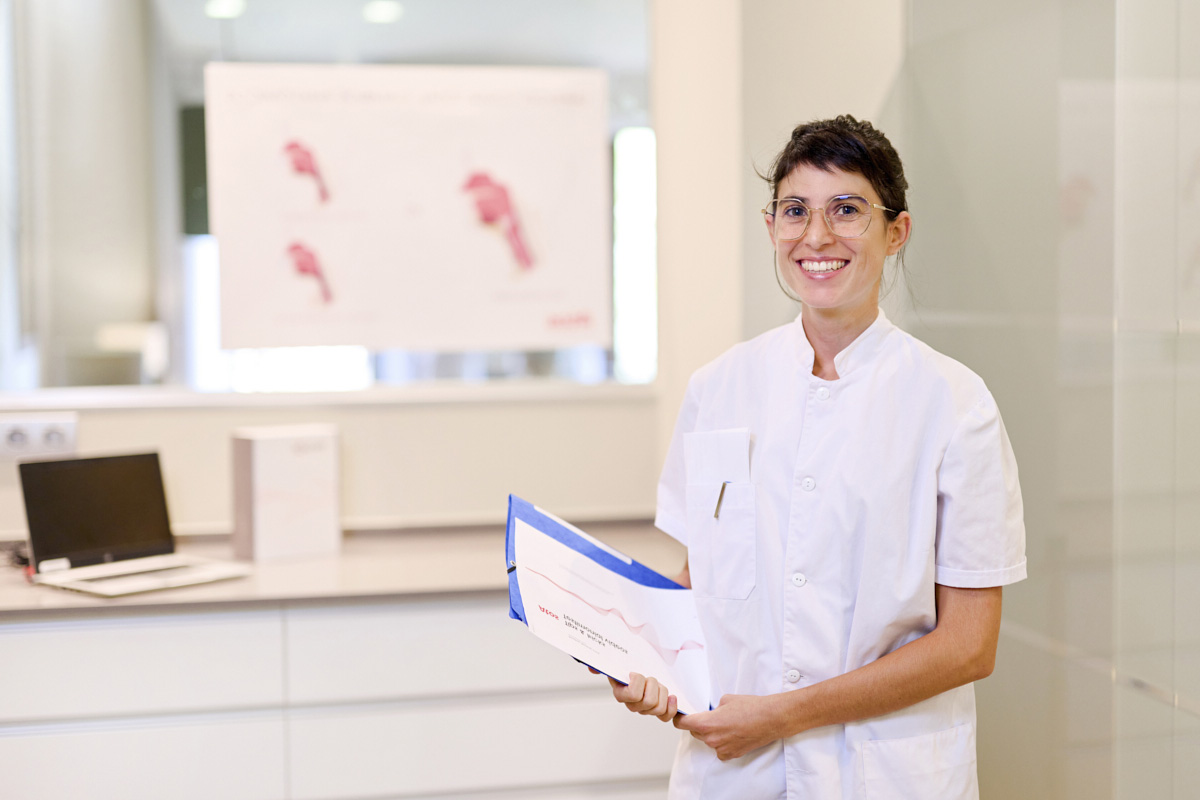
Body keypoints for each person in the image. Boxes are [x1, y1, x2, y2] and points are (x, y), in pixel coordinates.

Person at [606, 116, 1027, 799]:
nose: (818, 236)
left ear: (897, 232)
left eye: (847, 210)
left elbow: (969, 645)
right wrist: (645, 661)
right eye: (796, 211)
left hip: (886, 774)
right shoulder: (719, 388)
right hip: (735, 773)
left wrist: (778, 717)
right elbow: (702, 576)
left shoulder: (953, 404)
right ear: (771, 227)